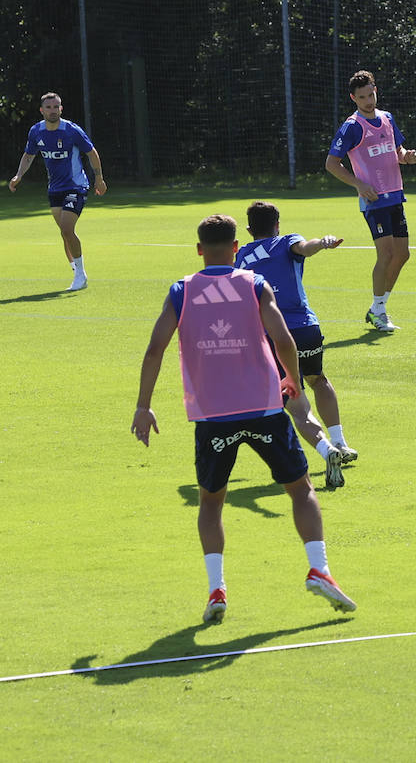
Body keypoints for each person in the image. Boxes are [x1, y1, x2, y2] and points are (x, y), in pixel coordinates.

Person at [131, 214, 356, 623]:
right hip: (265, 408)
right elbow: (283, 338)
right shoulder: (254, 284)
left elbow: (154, 350)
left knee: (211, 502)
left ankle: (217, 589)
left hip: (212, 415)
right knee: (302, 490)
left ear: (199, 249)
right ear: (237, 248)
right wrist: (291, 380)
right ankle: (319, 569)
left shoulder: (181, 291)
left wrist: (143, 405)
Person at [237, 201, 357, 487]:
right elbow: (305, 247)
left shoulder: (241, 257)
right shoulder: (286, 241)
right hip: (306, 328)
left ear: (250, 229)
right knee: (318, 379)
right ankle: (340, 442)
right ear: (277, 224)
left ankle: (326, 448)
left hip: (274, 334)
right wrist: (324, 243)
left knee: (295, 401)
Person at [325, 70, 416, 333]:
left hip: (395, 195)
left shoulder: (387, 118)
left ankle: (377, 307)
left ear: (376, 90)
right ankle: (379, 311)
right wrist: (359, 184)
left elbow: (397, 152)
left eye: (371, 94)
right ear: (353, 98)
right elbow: (332, 164)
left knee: (402, 254)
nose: (369, 100)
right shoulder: (352, 126)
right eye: (362, 97)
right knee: (386, 254)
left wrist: (407, 157)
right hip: (374, 200)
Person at [8, 92, 107, 291]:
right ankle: (75, 269)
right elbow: (28, 155)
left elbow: (91, 153)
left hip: (76, 187)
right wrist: (19, 175)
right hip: (55, 189)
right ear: (42, 110)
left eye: (56, 107)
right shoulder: (36, 131)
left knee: (67, 228)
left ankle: (81, 275)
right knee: (64, 233)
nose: (53, 111)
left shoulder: (71, 130)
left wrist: (99, 178)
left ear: (61, 109)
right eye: (49, 107)